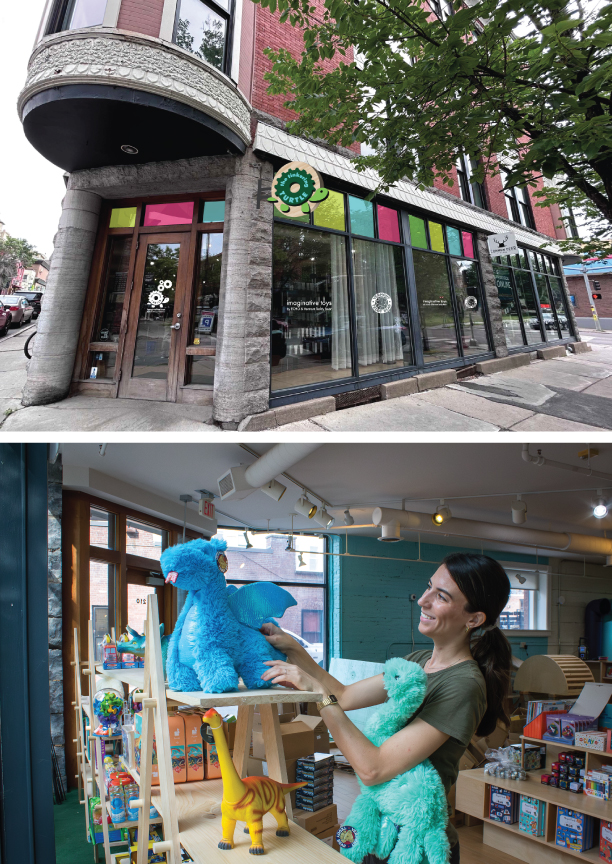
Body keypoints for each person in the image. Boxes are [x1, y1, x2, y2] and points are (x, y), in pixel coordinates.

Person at [261, 552, 512, 864]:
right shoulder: (417, 661)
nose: (423, 600)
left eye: (441, 596)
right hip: (377, 831)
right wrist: (291, 647)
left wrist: (315, 692)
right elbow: (345, 694)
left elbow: (373, 769)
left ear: (474, 619)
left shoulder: (463, 684)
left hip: (416, 847)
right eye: (429, 587)